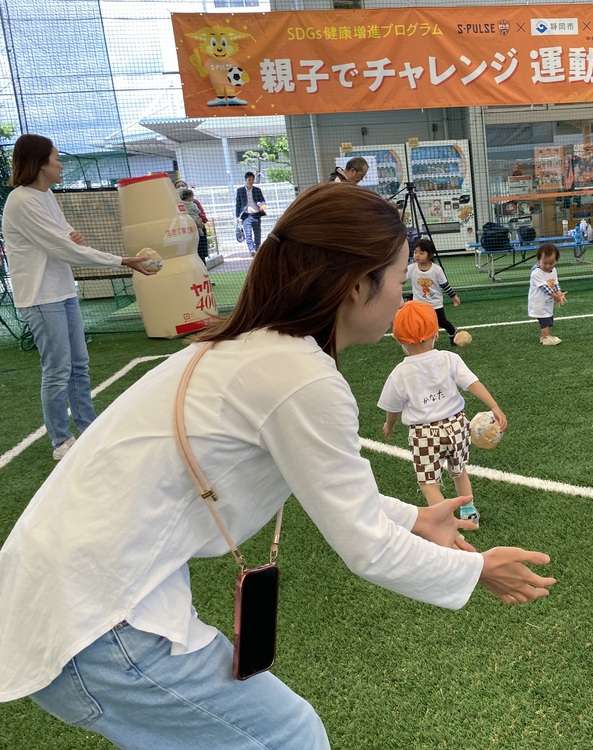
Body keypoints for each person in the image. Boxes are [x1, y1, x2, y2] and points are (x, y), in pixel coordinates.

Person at [0, 183, 555, 747]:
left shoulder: (255, 349)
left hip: (76, 601)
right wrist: (477, 569)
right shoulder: (299, 377)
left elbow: (334, 490)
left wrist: (415, 518)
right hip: (95, 618)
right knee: (289, 735)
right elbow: (367, 547)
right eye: (394, 278)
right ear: (356, 285)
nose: (400, 296)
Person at [0, 134, 157, 461]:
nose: (61, 164)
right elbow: (65, 247)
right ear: (40, 164)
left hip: (62, 291)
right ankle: (61, 441)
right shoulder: (21, 201)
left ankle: (88, 428)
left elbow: (68, 239)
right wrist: (123, 261)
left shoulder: (45, 196)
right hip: (41, 298)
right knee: (57, 369)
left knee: (79, 365)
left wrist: (71, 242)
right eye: (56, 158)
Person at [379, 300, 507, 524]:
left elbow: (393, 407)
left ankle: (445, 523)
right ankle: (469, 512)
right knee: (459, 471)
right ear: (436, 334)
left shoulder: (399, 373)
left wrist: (389, 425)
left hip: (423, 434)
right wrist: (495, 406)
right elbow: (472, 383)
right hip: (456, 426)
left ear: (397, 339)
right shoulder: (449, 359)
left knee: (428, 483)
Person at [407, 238, 460, 345]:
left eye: (421, 253)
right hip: (418, 303)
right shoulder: (411, 268)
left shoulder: (437, 270)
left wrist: (454, 297)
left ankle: (452, 331)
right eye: (415, 252)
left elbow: (445, 285)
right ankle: (424, 340)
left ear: (430, 254)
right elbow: (400, 278)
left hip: (435, 303)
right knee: (420, 322)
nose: (417, 255)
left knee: (441, 322)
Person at [528, 243, 567, 346]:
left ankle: (543, 337)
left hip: (547, 302)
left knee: (548, 318)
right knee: (544, 320)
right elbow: (545, 288)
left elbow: (555, 283)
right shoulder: (536, 273)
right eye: (545, 263)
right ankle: (546, 337)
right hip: (538, 302)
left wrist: (559, 293)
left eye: (551, 263)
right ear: (538, 260)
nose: (548, 266)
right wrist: (556, 296)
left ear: (556, 261)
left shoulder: (553, 270)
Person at [235, 171, 266, 255]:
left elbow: (262, 200)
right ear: (245, 180)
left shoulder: (257, 190)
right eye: (249, 180)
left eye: (252, 180)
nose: (251, 181)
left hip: (256, 215)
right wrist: (237, 216)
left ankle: (257, 249)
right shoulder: (240, 190)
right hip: (246, 216)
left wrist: (262, 206)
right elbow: (238, 204)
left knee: (257, 234)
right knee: (248, 234)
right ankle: (252, 250)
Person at [180, 188, 208, 265]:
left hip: (188, 227)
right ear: (190, 197)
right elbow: (198, 212)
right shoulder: (193, 204)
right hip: (195, 224)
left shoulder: (180, 205)